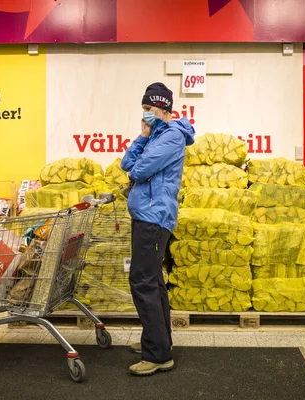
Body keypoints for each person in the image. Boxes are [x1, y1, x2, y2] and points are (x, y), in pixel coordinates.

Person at [121, 82, 195, 376]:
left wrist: (140, 156)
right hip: (146, 216)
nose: (144, 115)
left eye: (148, 110)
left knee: (142, 282)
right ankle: (159, 342)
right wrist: (142, 137)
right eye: (143, 110)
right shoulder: (154, 136)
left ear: (163, 109)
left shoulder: (173, 137)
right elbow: (127, 163)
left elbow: (138, 171)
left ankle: (157, 354)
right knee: (152, 281)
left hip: (154, 218)